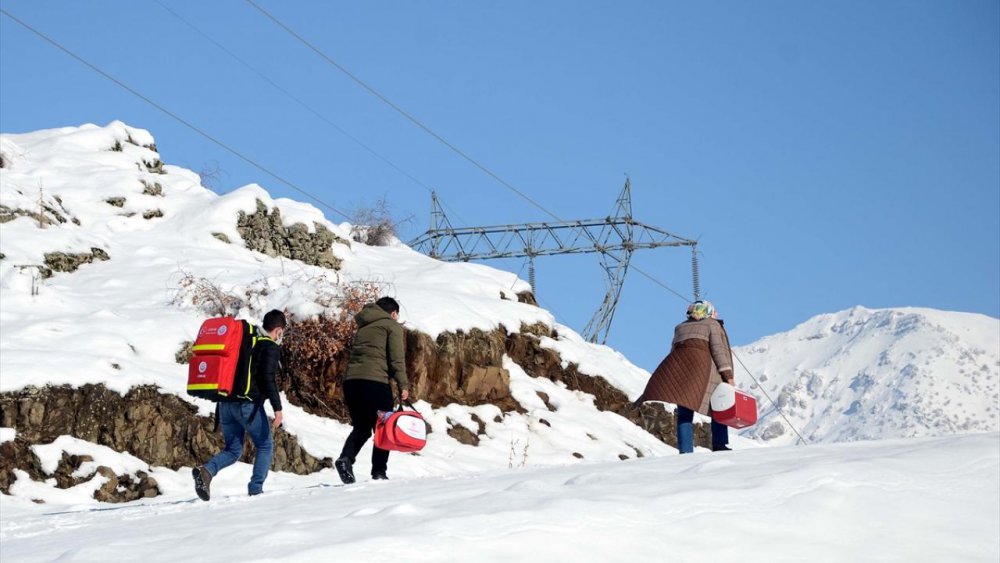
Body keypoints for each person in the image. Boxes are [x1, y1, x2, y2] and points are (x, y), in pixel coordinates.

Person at [193, 309, 286, 500]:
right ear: (278, 330)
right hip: (247, 405)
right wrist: (278, 408)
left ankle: (207, 471)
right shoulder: (269, 347)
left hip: (226, 404)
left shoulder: (245, 342)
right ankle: (256, 488)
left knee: (233, 450)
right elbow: (268, 378)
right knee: (265, 445)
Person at [633, 300, 734, 453]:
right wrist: (728, 375)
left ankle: (685, 450)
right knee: (719, 406)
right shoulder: (712, 325)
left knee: (685, 411)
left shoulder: (680, 327)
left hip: (680, 372)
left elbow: (673, 350)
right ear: (709, 312)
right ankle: (719, 445)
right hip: (704, 373)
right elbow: (718, 351)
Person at [335, 297, 410, 483]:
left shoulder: (364, 325)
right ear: (393, 313)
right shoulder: (391, 326)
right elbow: (396, 359)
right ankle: (379, 472)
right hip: (375, 382)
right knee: (383, 428)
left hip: (352, 382)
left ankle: (346, 458)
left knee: (362, 427)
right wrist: (403, 385)